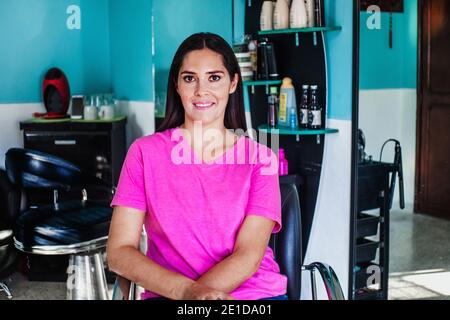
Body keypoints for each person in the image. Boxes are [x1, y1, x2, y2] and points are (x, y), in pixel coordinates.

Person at [107, 32, 287, 300]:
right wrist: (188, 293)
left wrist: (200, 298)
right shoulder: (144, 154)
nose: (201, 91)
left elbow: (248, 256)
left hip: (252, 295)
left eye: (214, 77)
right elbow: (119, 251)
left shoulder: (261, 160)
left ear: (233, 83)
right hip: (172, 295)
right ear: (177, 85)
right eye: (190, 78)